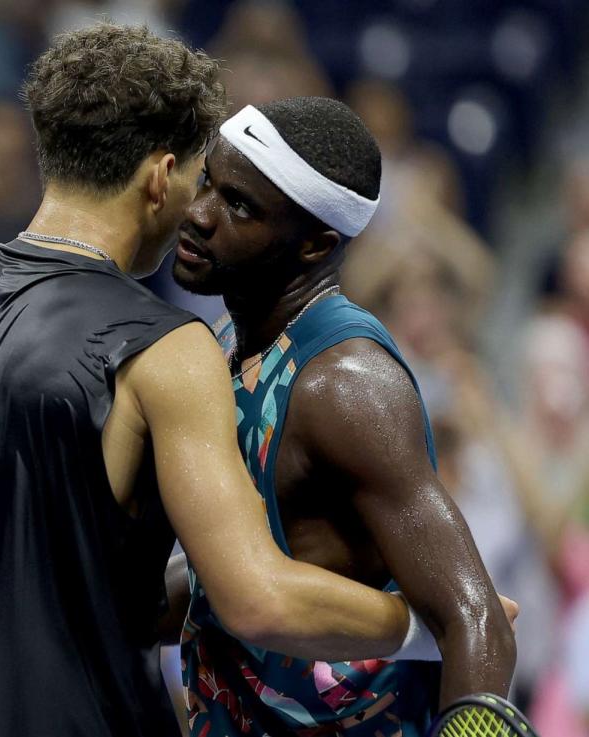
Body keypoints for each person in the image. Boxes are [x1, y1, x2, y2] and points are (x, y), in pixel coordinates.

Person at [0, 27, 460, 737]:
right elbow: (255, 596)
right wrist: (421, 623)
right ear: (161, 176)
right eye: (199, 182)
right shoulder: (167, 349)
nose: (198, 211)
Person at [171, 98, 517, 737]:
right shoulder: (224, 343)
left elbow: (477, 619)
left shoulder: (347, 386)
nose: (198, 213)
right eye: (206, 184)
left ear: (315, 245)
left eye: (240, 205)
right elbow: (224, 583)